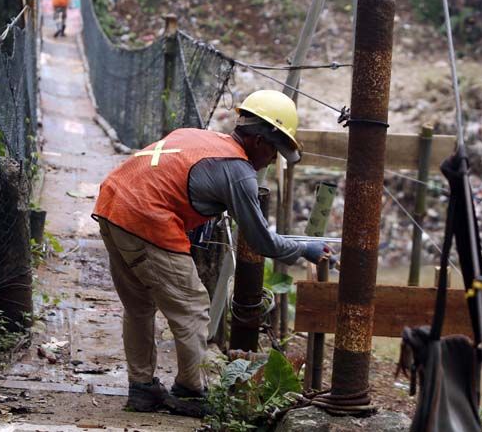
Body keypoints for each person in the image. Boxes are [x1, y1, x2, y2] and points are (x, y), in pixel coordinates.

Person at [92, 89, 336, 417]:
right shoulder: (239, 172)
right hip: (145, 219)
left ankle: (142, 388)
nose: (272, 160)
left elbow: (174, 181)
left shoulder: (199, 136)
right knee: (192, 307)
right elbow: (264, 242)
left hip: (112, 205)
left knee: (138, 305)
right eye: (275, 151)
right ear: (261, 141)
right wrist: (305, 248)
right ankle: (191, 392)